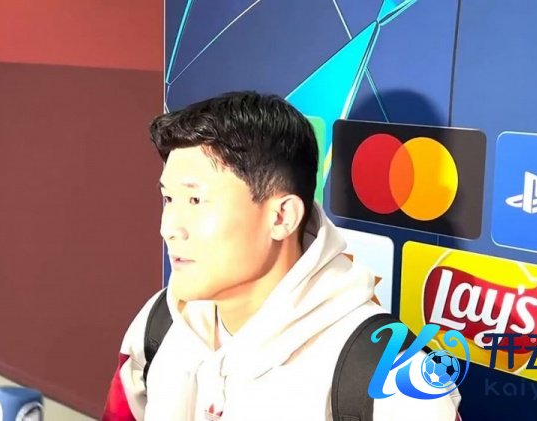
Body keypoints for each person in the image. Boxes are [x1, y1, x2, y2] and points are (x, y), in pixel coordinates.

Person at [102, 91, 461, 420]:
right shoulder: (159, 322)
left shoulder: (393, 380)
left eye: (196, 200)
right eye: (168, 198)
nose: (169, 228)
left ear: (281, 217)